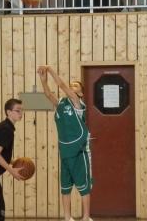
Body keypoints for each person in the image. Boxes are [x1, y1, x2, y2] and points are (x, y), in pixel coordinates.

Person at [37, 66, 92, 221]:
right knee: (65, 187)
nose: (71, 86)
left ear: (80, 93)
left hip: (79, 152)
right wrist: (43, 80)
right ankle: (67, 217)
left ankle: (86, 217)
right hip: (65, 151)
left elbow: (62, 86)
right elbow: (48, 94)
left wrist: (50, 69)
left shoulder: (77, 103)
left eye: (75, 86)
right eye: (71, 84)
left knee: (83, 187)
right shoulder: (61, 102)